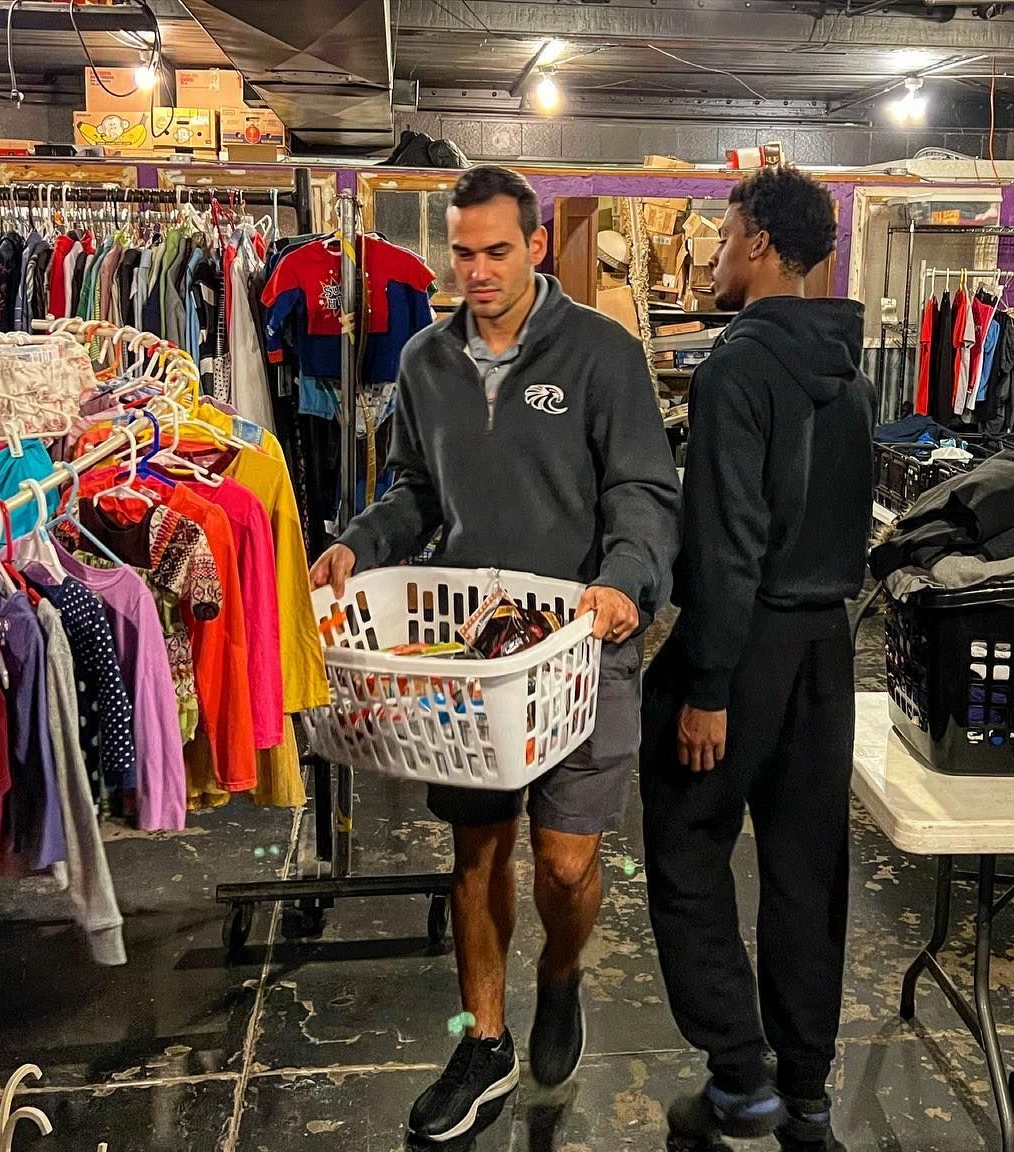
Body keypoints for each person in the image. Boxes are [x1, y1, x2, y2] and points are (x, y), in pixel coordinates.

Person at [310, 165, 681, 1144]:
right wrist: (361, 542)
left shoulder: (603, 354)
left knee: (565, 864)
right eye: (463, 252)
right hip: (473, 654)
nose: (476, 271)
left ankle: (560, 972)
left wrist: (627, 580)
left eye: (497, 251)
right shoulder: (426, 361)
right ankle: (483, 1042)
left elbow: (644, 492)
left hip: (582, 648)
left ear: (535, 246)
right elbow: (413, 493)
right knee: (476, 852)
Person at [640, 165, 876, 1151]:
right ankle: (807, 1095)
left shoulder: (736, 369)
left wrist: (707, 683)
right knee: (806, 870)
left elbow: (729, 540)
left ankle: (740, 1078)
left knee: (685, 847)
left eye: (727, 235)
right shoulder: (852, 373)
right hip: (827, 649)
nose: (715, 254)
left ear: (764, 245)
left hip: (746, 645)